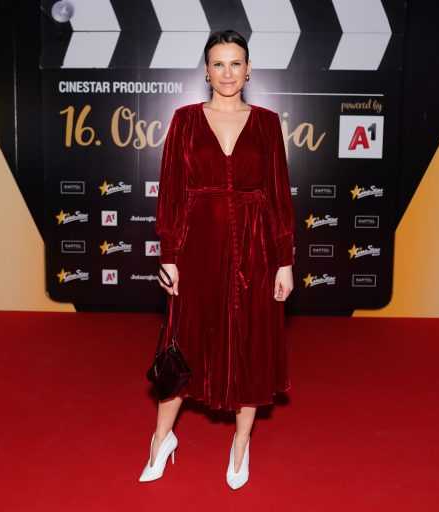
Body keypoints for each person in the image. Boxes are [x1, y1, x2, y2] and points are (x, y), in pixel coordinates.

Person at [138, 30, 296, 490]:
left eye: (235, 63)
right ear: (206, 71)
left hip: (256, 249)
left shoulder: (267, 124)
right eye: (218, 64)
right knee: (183, 342)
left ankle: (241, 443)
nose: (228, 73)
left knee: (251, 343)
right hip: (197, 249)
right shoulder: (185, 120)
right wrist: (169, 253)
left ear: (249, 70)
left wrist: (284, 260)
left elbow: (278, 195)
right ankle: (161, 439)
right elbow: (171, 191)